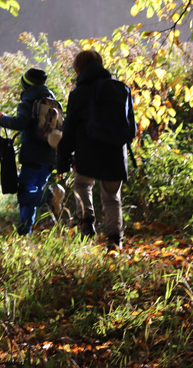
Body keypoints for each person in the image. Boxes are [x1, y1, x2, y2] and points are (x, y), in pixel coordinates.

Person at [56, 49, 135, 251]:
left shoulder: (79, 93)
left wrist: (63, 159)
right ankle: (115, 239)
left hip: (87, 151)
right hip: (116, 152)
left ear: (78, 68)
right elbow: (131, 127)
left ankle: (87, 220)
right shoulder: (120, 89)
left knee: (82, 186)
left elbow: (70, 128)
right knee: (112, 197)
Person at [0, 67, 64, 235]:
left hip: (32, 155)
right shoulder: (52, 102)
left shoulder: (28, 101)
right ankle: (24, 229)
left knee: (25, 193)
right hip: (49, 157)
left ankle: (48, 197)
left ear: (25, 85)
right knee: (33, 190)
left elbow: (21, 122)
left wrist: (3, 119)